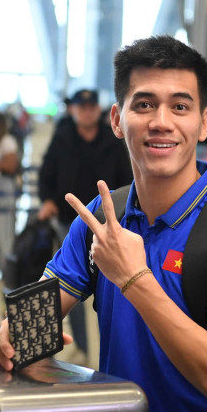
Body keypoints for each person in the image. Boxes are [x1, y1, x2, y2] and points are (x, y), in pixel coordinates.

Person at [0, 35, 207, 412]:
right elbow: (34, 320)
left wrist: (134, 278)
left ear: (203, 123)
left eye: (180, 106)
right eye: (144, 105)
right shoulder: (101, 217)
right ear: (116, 119)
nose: (161, 121)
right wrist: (10, 336)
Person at [37, 88, 132, 360]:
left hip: (111, 222)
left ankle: (111, 352)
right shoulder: (62, 139)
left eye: (92, 106)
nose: (87, 111)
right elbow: (47, 175)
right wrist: (14, 334)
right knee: (71, 284)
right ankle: (82, 347)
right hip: (71, 223)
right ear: (73, 110)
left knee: (116, 288)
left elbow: (128, 180)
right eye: (82, 106)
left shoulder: (113, 141)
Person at [0, 110, 20, 281]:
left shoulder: (7, 141)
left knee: (3, 234)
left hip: (3, 194)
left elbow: (10, 165)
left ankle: (7, 272)